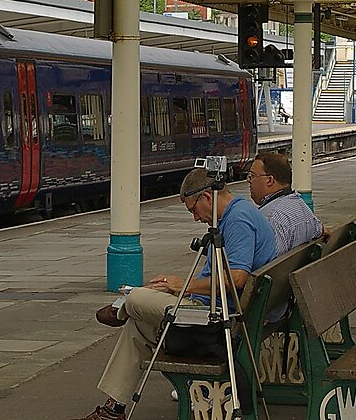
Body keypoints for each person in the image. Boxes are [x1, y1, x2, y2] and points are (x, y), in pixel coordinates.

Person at [80, 168, 277, 420]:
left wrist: (181, 285)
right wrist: (175, 287)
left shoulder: (238, 219)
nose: (196, 218)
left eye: (193, 210)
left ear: (207, 197)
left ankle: (121, 307)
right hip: (219, 310)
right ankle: (114, 407)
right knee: (138, 325)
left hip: (215, 320)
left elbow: (237, 277)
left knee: (137, 299)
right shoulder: (238, 212)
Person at [247, 152, 324, 254]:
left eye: (252, 176)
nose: (248, 180)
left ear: (270, 180)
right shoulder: (301, 205)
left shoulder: (270, 219)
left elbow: (269, 265)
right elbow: (320, 229)